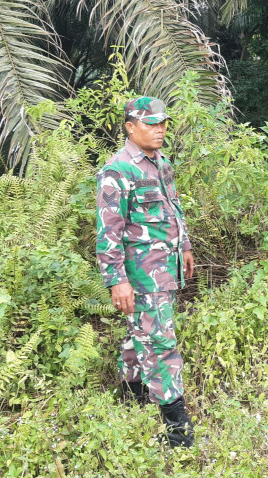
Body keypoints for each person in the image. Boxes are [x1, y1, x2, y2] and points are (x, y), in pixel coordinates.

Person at [96, 96, 195, 447]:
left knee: (139, 331)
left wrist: (184, 246)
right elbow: (109, 232)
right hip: (141, 274)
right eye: (151, 123)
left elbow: (173, 206)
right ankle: (178, 429)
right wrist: (117, 280)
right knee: (161, 343)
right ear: (129, 127)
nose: (160, 129)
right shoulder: (118, 170)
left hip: (165, 267)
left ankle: (130, 393)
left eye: (163, 122)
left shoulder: (161, 162)